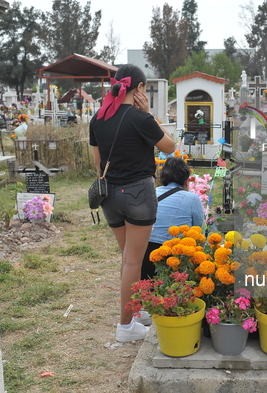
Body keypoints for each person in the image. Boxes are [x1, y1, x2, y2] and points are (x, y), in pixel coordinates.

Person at [89, 64, 175, 342]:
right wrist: (148, 114)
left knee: (128, 259)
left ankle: (135, 312)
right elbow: (170, 147)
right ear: (139, 88)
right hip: (137, 193)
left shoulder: (98, 118)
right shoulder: (140, 119)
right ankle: (126, 327)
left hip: (109, 196)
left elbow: (97, 163)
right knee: (132, 262)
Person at [141, 157, 205, 281]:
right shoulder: (192, 198)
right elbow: (198, 233)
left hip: (144, 250)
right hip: (172, 254)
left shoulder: (152, 192)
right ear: (186, 180)